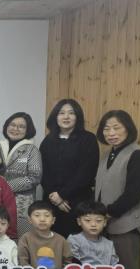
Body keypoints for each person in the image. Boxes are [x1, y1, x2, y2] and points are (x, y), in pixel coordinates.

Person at [94, 110, 140, 269]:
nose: (111, 133)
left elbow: (133, 193)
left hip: (127, 224)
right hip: (106, 222)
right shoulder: (108, 154)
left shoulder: (138, 155)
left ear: (128, 129)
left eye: (116, 128)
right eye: (106, 129)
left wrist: (108, 213)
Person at [40, 99, 99, 237]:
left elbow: (87, 172)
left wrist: (62, 195)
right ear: (55, 117)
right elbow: (42, 171)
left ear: (77, 117)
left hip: (78, 202)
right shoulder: (48, 140)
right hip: (51, 202)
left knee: (75, 243)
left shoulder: (88, 139)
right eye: (61, 113)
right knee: (51, 243)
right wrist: (54, 196)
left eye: (71, 113)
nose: (66, 117)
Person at [0, 112, 43, 238]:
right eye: (12, 125)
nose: (16, 129)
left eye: (21, 126)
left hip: (22, 203)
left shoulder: (32, 149)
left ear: (28, 130)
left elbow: (35, 177)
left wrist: (6, 186)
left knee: (22, 239)